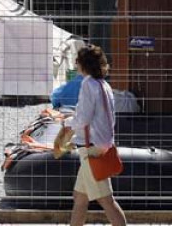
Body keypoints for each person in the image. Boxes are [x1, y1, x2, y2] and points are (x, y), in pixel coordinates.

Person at [61, 45, 127, 226]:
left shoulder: (88, 84)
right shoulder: (104, 85)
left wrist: (66, 123)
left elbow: (83, 118)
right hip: (101, 144)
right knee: (80, 197)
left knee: (107, 201)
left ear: (83, 65)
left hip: (90, 148)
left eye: (77, 61)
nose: (75, 64)